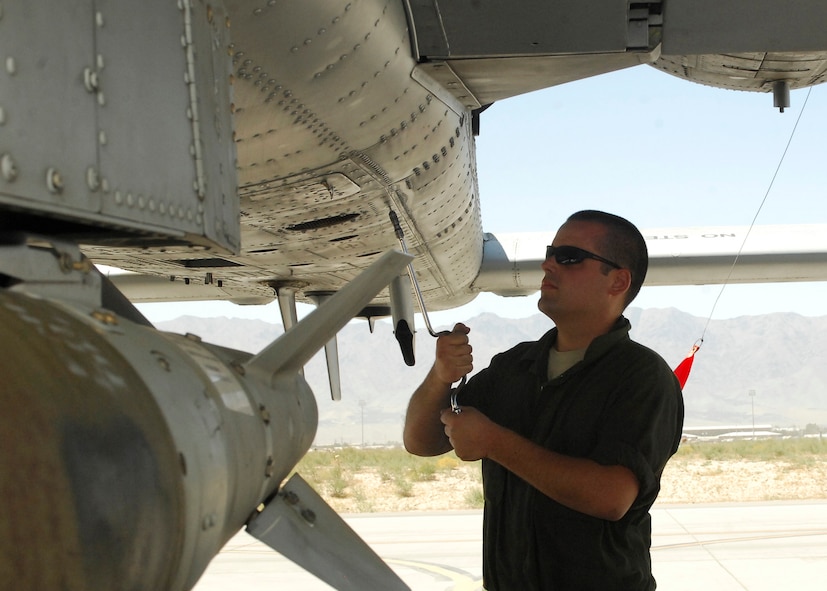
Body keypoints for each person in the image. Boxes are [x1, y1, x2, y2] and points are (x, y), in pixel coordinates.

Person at [403, 210, 684, 590]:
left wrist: (494, 442)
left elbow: (611, 496)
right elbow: (421, 441)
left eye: (568, 257)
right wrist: (440, 377)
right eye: (551, 253)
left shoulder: (641, 377)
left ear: (618, 281)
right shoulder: (513, 367)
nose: (548, 265)